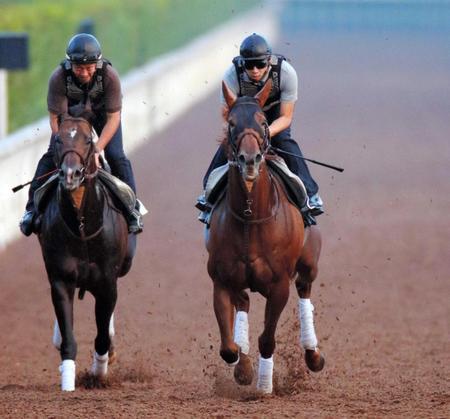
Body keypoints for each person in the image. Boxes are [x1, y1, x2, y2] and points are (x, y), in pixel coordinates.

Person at [19, 33, 143, 236]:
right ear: (69, 65)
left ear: (98, 63)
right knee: (51, 155)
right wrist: (65, 145)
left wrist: (96, 149)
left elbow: (113, 119)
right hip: (69, 120)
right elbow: (54, 119)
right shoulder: (58, 78)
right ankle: (31, 210)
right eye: (78, 68)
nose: (84, 73)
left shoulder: (110, 77)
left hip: (103, 117)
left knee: (116, 156)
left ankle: (132, 210)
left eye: (89, 67)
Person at [197, 33, 323, 222]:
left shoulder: (286, 73)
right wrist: (245, 135)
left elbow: (286, 117)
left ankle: (311, 195)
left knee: (283, 142)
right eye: (249, 65)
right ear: (242, 63)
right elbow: (228, 116)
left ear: (269, 61)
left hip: (274, 117)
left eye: (260, 64)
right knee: (229, 146)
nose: (255, 70)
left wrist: (265, 133)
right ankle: (208, 195)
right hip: (243, 117)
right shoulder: (231, 76)